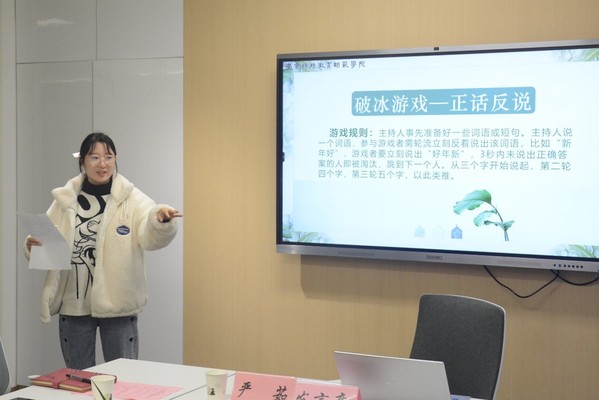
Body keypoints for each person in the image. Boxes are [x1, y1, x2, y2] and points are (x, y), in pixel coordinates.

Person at [23, 132, 182, 369]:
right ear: (83, 161)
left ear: (115, 159)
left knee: (123, 377)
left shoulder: (132, 199)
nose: (102, 164)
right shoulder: (65, 199)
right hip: (74, 303)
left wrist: (161, 222)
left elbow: (150, 238)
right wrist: (32, 245)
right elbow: (47, 237)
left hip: (118, 303)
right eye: (94, 157)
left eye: (108, 157)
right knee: (78, 378)